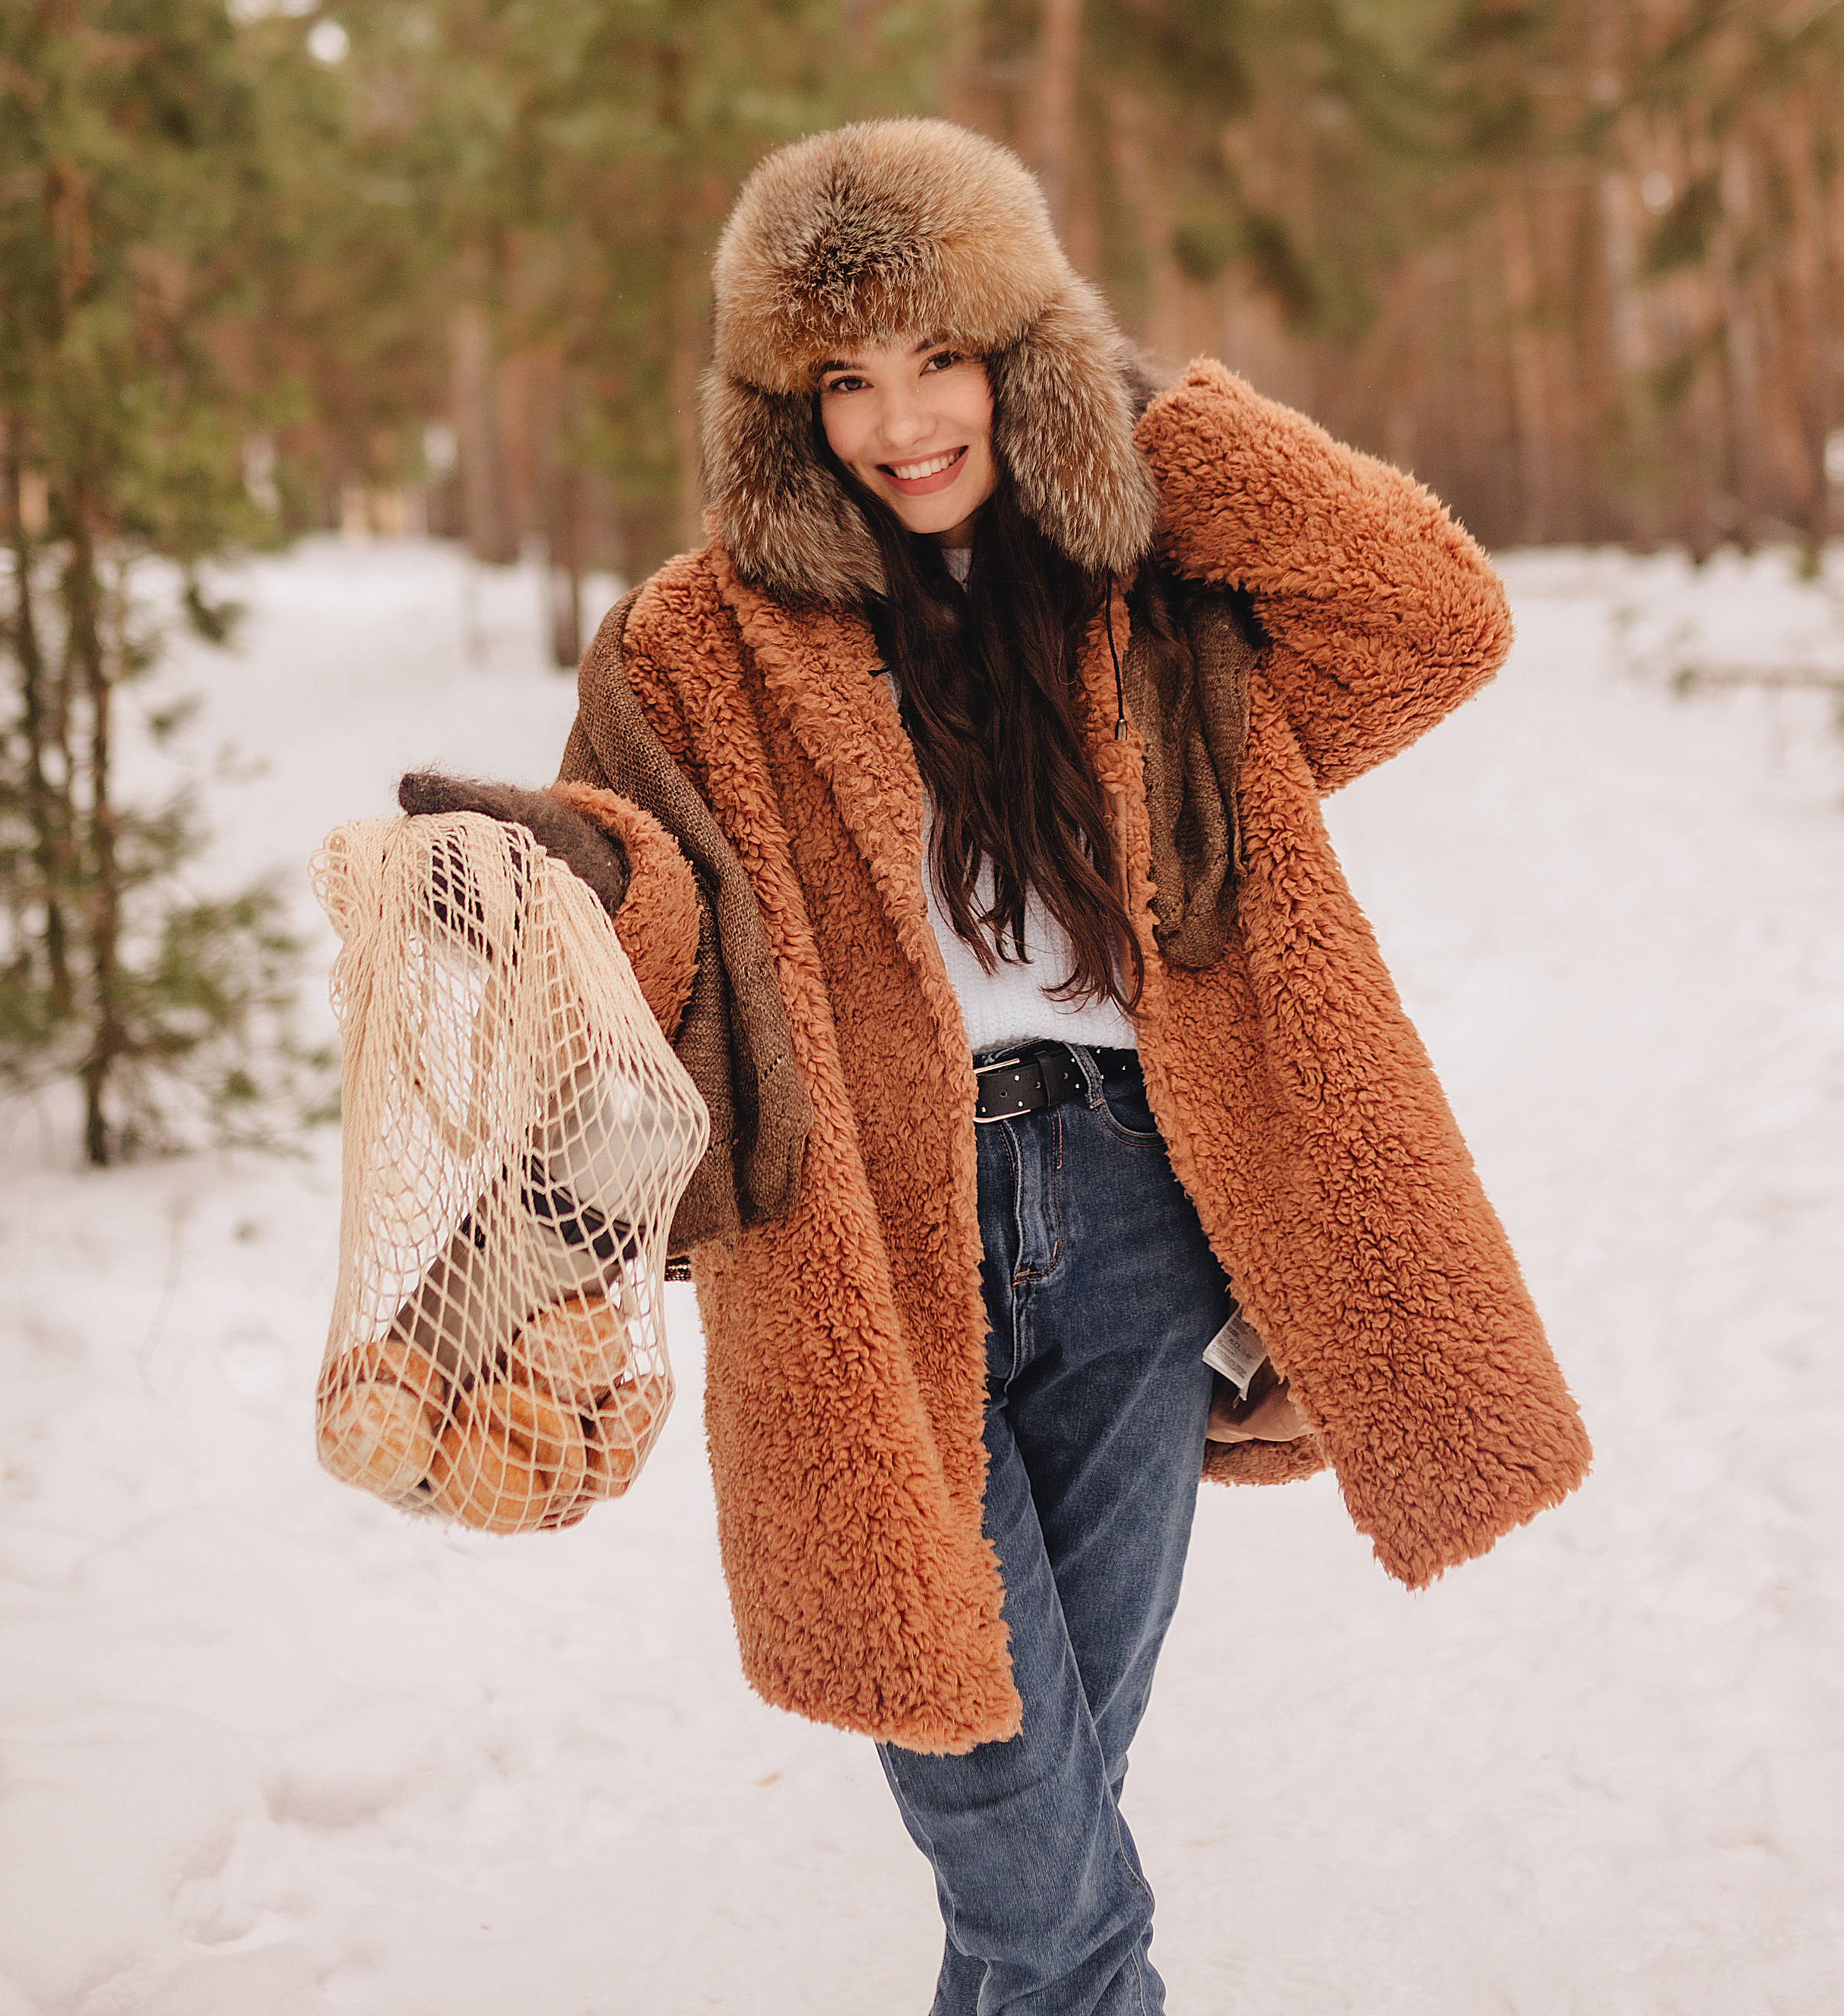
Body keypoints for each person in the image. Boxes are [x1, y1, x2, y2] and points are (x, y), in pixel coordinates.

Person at [404, 116, 1589, 2016]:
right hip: (869, 1247)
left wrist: (1153, 434)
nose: (898, 422)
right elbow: (665, 925)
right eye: (842, 382)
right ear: (782, 414)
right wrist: (560, 865)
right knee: (1044, 1882)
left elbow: (1434, 621)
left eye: (944, 356)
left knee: (1047, 1814)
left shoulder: (1154, 602)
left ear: (1021, 355)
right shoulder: (696, 645)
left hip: (1134, 1219)